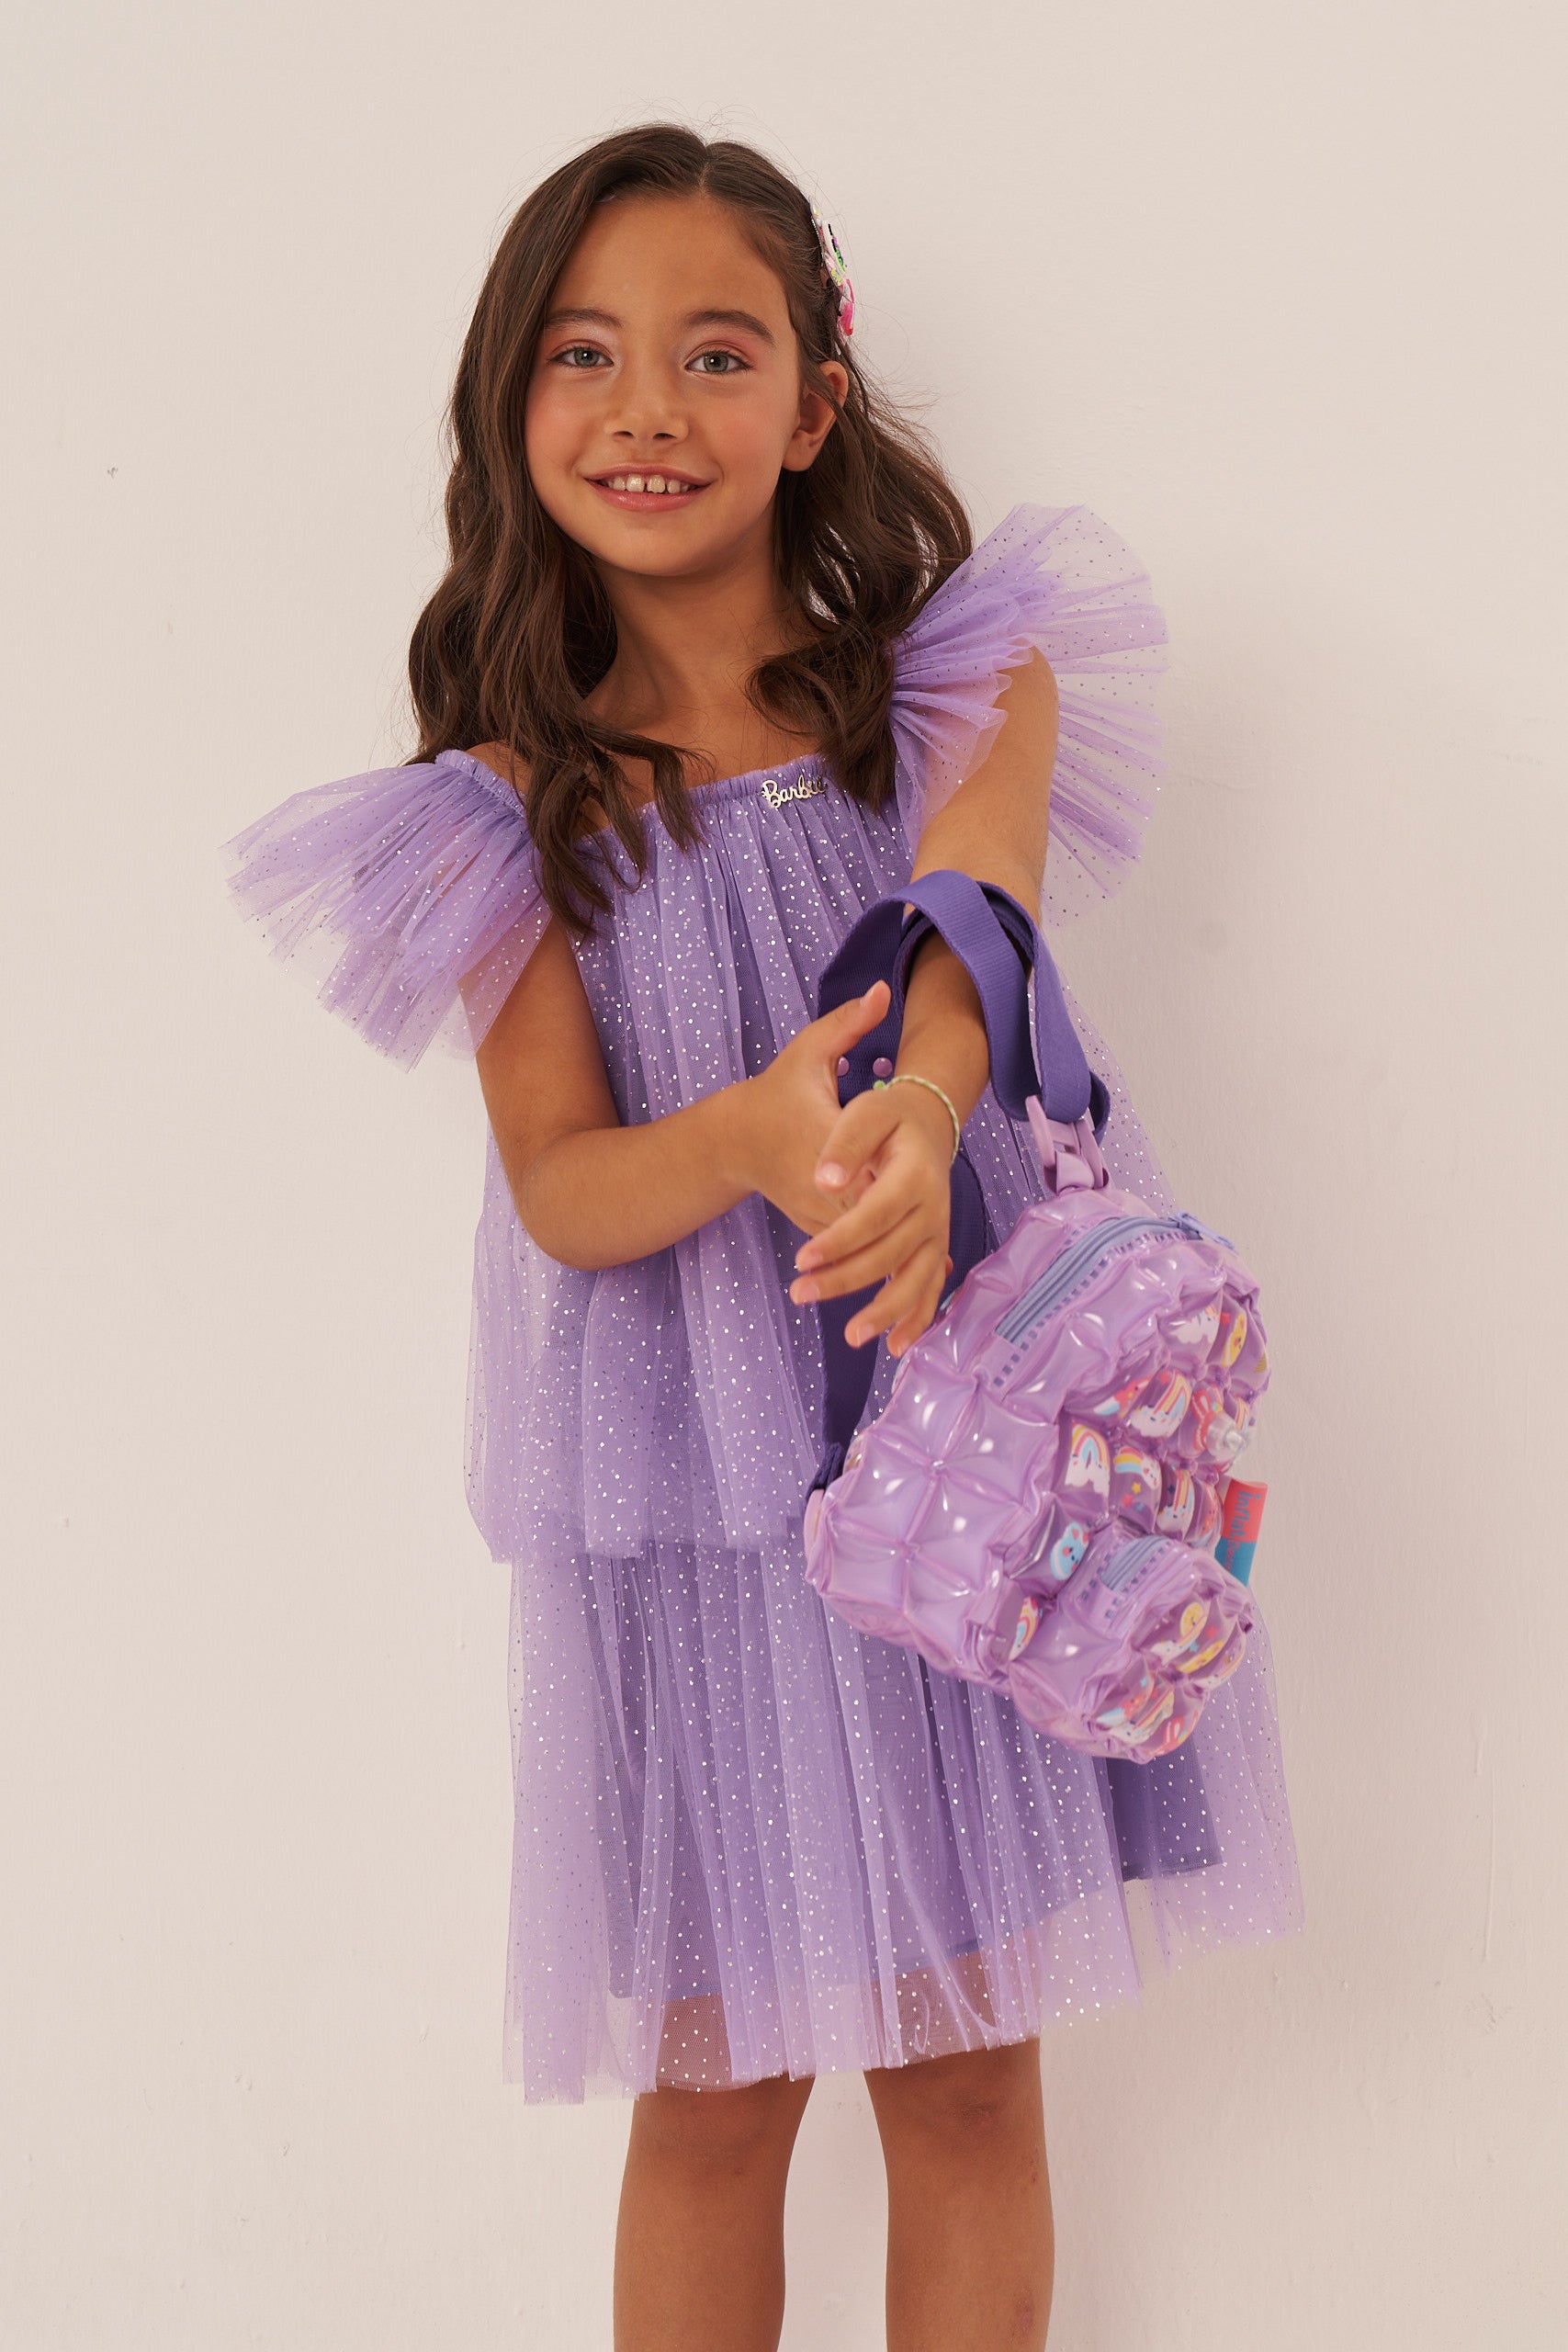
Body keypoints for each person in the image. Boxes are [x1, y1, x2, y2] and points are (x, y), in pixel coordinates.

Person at [222, 122, 1302, 2352]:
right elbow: (563, 1183)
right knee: (715, 2092)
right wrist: (731, 1136)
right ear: (511, 402)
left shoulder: (959, 682)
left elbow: (968, 930)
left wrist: (913, 1110)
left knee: (967, 2059)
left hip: (966, 1460)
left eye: (713, 353)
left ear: (814, 401)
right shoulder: (504, 815)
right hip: (695, 1516)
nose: (646, 407)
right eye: (583, 354)